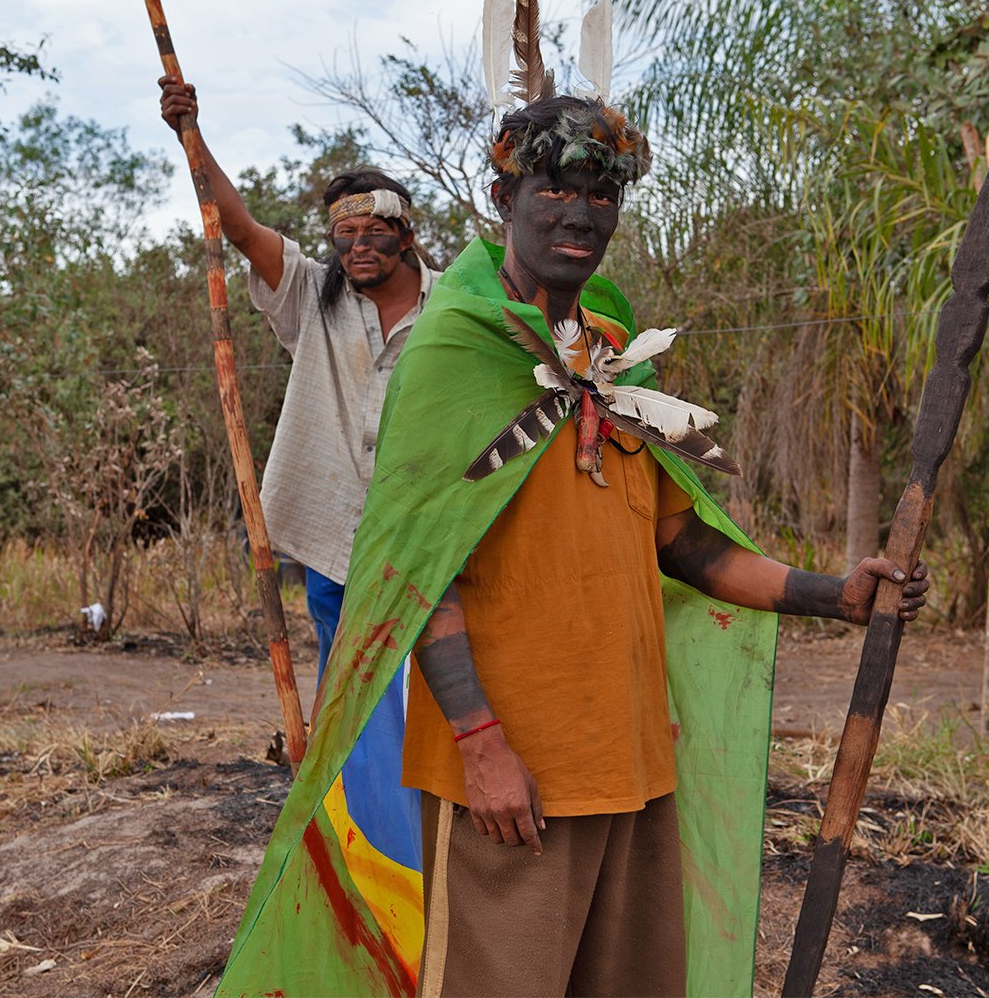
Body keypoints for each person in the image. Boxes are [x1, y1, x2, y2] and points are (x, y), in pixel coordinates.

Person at [212, 97, 929, 998]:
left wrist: (838, 596)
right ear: (504, 194)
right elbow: (417, 568)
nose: (579, 213)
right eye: (553, 186)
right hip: (512, 778)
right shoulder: (452, 353)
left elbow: (683, 543)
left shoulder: (618, 352)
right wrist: (480, 742)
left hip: (630, 758)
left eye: (600, 193)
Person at [156, 78, 431, 872]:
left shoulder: (451, 312)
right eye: (345, 231)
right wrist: (191, 135)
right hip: (336, 538)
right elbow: (237, 226)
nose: (358, 244)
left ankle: (434, 861)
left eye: (374, 228)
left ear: (406, 234)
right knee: (352, 699)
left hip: (421, 540)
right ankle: (369, 860)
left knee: (431, 695)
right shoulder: (315, 295)